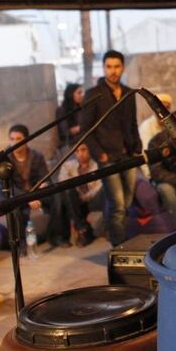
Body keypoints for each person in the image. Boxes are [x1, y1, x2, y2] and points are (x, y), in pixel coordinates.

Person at [80, 50, 142, 246]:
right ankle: (119, 245)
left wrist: (137, 147)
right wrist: (100, 155)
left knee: (127, 202)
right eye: (109, 67)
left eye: (116, 66)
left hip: (129, 155)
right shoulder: (93, 95)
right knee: (118, 204)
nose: (113, 71)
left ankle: (115, 235)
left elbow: (132, 123)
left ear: (122, 67)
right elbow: (86, 129)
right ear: (103, 68)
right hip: (108, 157)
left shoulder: (128, 93)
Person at [5, 124, 54, 244]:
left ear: (26, 140)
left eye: (18, 139)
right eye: (12, 139)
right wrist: (28, 199)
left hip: (36, 194)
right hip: (18, 196)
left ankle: (56, 236)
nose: (15, 142)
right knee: (14, 207)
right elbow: (8, 187)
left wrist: (42, 187)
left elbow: (45, 178)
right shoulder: (5, 160)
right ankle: (21, 243)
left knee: (57, 198)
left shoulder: (37, 156)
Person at [54, 143, 103, 246]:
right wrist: (76, 195)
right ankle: (82, 228)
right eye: (76, 151)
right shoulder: (68, 165)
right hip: (74, 199)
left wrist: (84, 197)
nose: (80, 154)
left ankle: (78, 229)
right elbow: (63, 182)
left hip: (92, 199)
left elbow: (99, 187)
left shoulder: (97, 164)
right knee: (65, 191)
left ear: (89, 150)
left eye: (83, 150)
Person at [55, 82, 84, 151]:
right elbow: (65, 131)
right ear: (71, 94)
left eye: (82, 93)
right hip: (70, 145)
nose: (82, 95)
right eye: (79, 93)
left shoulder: (80, 108)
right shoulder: (62, 110)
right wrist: (83, 127)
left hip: (82, 142)